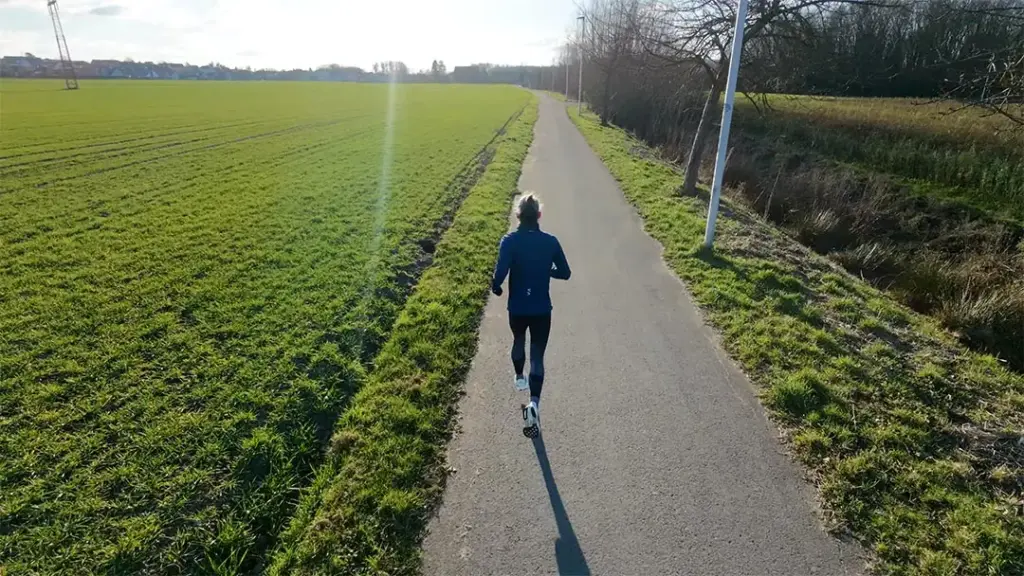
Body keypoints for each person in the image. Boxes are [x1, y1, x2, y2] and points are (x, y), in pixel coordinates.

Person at [491, 193, 571, 438]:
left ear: (518, 215)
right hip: (541, 309)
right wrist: (547, 270)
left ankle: (519, 377)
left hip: (517, 307)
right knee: (537, 355)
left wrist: (496, 287)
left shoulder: (509, 241)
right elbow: (565, 273)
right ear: (539, 215)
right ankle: (534, 403)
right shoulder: (550, 242)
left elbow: (500, 272)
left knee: (518, 340)